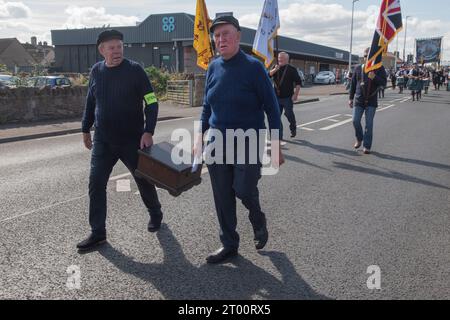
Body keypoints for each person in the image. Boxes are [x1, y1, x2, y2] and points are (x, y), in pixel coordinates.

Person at [194, 15, 284, 264]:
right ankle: (229, 244)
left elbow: (272, 108)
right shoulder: (213, 67)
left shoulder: (253, 67)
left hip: (248, 140)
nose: (221, 39)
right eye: (217, 35)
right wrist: (199, 137)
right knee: (222, 196)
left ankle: (257, 218)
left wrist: (276, 145)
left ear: (238, 36)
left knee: (243, 189)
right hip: (217, 142)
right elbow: (206, 107)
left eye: (226, 34)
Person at [77, 30, 163, 252]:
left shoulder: (135, 71)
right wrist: (85, 129)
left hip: (132, 140)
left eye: (119, 47)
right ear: (102, 50)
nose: (117, 51)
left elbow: (151, 101)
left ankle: (155, 213)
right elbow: (90, 101)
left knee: (143, 180)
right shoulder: (97, 71)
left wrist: (148, 131)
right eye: (112, 47)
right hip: (103, 140)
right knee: (95, 183)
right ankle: (98, 233)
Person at [349, 47, 387, 154]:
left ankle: (367, 145)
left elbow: (384, 83)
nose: (367, 58)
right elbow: (353, 85)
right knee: (355, 120)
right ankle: (359, 138)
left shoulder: (379, 68)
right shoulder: (358, 68)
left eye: (369, 56)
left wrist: (375, 77)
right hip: (359, 99)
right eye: (365, 56)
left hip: (371, 100)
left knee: (369, 124)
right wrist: (350, 98)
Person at [269, 52, 302, 141]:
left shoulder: (292, 69)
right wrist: (275, 70)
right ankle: (279, 136)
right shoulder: (275, 67)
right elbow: (268, 76)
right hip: (276, 97)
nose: (280, 59)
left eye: (282, 58)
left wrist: (295, 94)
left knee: (288, 114)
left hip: (288, 98)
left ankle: (293, 126)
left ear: (287, 59)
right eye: (279, 58)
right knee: (276, 117)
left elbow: (298, 83)